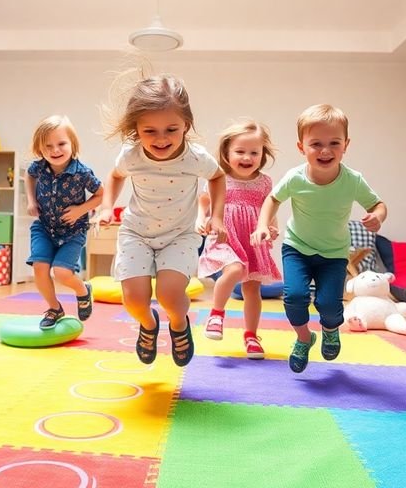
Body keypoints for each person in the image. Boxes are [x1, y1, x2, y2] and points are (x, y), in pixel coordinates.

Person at [96, 74, 227, 367]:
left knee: (169, 294)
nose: (161, 139)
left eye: (171, 129)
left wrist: (217, 216)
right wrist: (107, 207)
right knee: (133, 299)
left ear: (186, 126)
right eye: (149, 131)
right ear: (135, 130)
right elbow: (115, 176)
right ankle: (149, 323)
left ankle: (179, 323)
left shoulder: (196, 158)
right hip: (136, 233)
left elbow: (217, 177)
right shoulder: (131, 156)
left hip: (180, 234)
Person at [251, 104, 387, 373]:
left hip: (335, 254)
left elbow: (378, 204)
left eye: (334, 143)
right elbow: (273, 199)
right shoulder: (295, 177)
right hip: (297, 248)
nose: (325, 151)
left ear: (345, 145)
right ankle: (304, 338)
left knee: (328, 304)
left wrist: (377, 216)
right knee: (294, 297)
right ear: (302, 147)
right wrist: (262, 224)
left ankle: (330, 329)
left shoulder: (353, 180)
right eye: (316, 144)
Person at [197, 119, 281, 359]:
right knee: (234, 270)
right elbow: (203, 200)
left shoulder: (265, 182)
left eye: (254, 152)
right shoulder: (218, 177)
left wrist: (271, 228)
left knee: (252, 289)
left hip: (252, 238)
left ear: (263, 153)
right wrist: (200, 219)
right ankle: (216, 314)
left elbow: (269, 209)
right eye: (240, 151)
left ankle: (251, 336)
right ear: (227, 152)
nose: (247, 157)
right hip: (225, 235)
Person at [25, 115, 103, 329]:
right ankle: (54, 308)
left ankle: (83, 290)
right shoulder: (38, 167)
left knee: (62, 273)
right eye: (48, 146)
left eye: (61, 144)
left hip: (73, 231)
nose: (55, 150)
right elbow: (28, 176)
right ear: (40, 148)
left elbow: (100, 194)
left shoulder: (82, 173)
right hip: (44, 226)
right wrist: (32, 200)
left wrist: (80, 210)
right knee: (40, 268)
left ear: (72, 144)